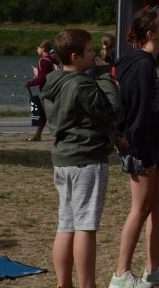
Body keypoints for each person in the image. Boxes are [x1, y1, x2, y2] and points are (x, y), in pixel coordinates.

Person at [110, 7, 159, 288]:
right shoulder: (139, 65)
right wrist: (137, 151)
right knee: (140, 208)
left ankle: (153, 269)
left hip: (157, 146)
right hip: (141, 147)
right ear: (150, 34)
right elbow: (136, 112)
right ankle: (121, 274)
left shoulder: (156, 62)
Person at [42, 29, 120, 288]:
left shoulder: (53, 81)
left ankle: (63, 283)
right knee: (85, 226)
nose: (94, 55)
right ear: (75, 57)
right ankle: (88, 284)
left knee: (66, 224)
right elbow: (111, 111)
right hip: (85, 160)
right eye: (89, 51)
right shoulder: (82, 84)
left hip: (63, 160)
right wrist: (104, 75)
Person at [25, 39, 60, 141]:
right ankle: (37, 135)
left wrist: (29, 83)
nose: (37, 49)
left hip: (48, 91)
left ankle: (62, 136)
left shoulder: (43, 60)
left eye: (38, 47)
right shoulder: (52, 59)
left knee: (49, 115)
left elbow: (42, 78)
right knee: (44, 114)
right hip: (55, 89)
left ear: (43, 49)